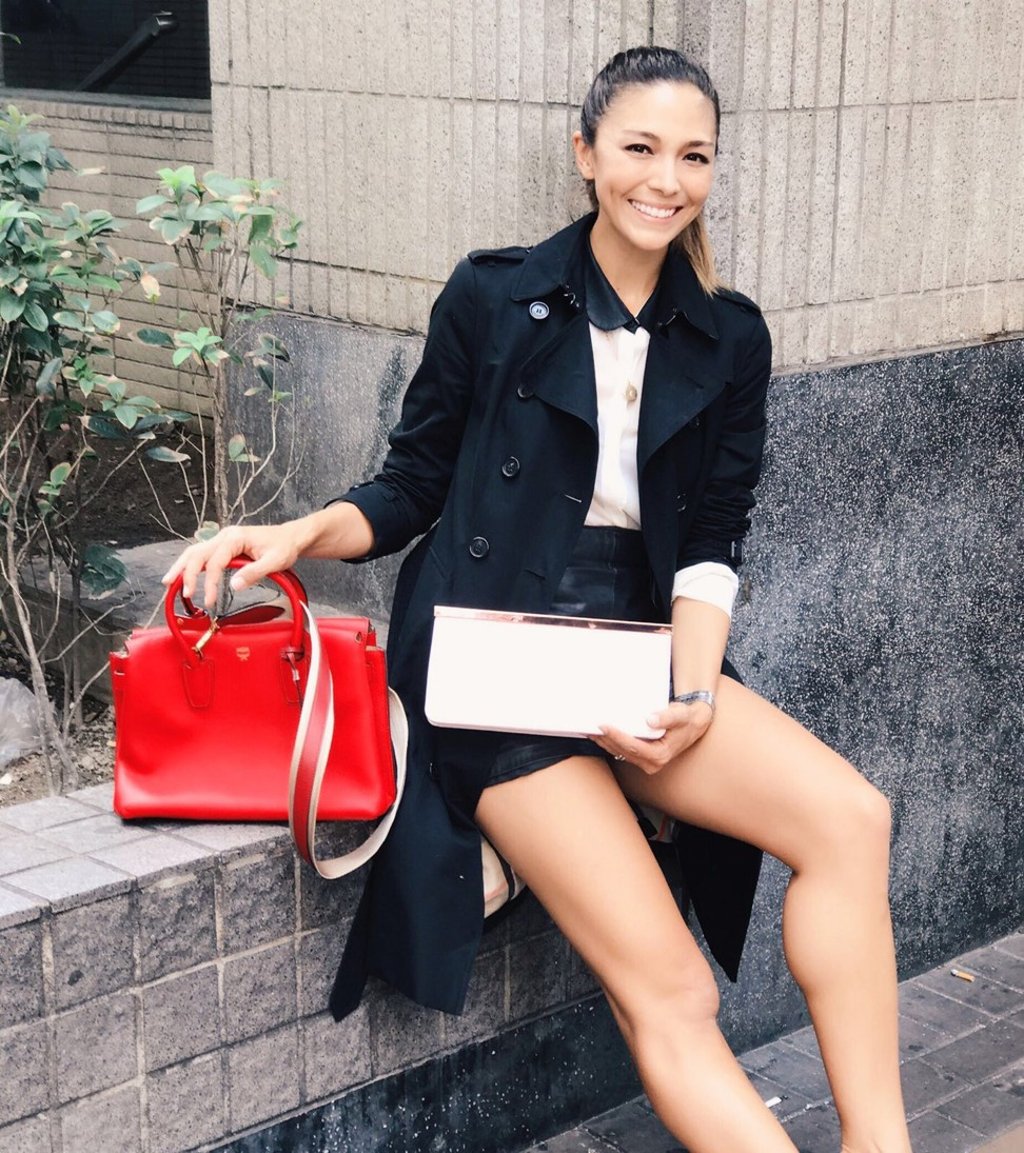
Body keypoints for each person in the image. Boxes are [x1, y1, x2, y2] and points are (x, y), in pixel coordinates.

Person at [165, 46, 914, 1153]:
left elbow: (711, 540)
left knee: (853, 820)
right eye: (640, 149)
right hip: (496, 654)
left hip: (641, 644)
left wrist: (694, 695)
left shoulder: (728, 335)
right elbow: (410, 485)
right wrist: (294, 535)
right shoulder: (494, 294)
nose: (666, 179)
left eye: (694, 156)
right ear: (586, 154)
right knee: (673, 989)